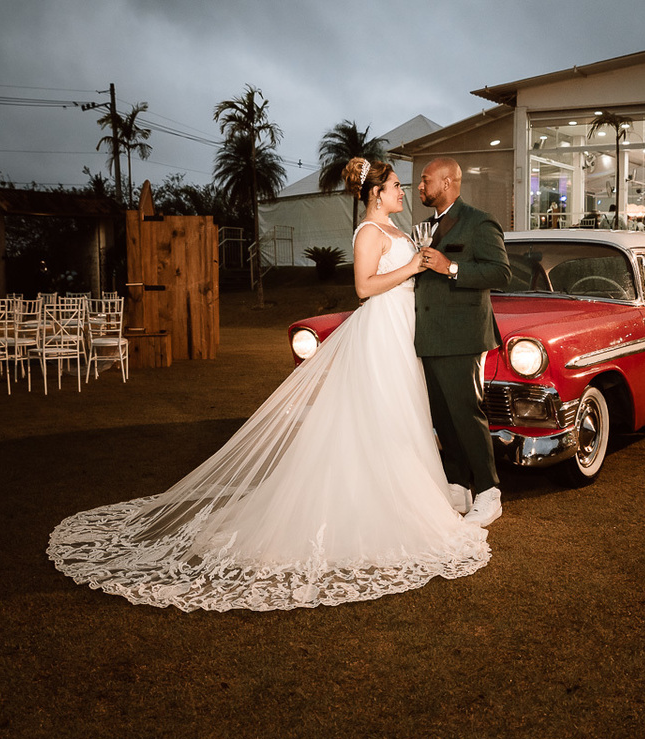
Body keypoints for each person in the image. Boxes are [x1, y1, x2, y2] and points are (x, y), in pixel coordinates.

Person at [46, 158, 491, 612]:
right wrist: (412, 268)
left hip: (405, 331)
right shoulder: (369, 233)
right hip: (381, 330)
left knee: (404, 415)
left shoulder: (400, 231)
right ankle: (377, 507)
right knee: (380, 413)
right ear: (376, 193)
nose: (403, 191)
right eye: (396, 186)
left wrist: (423, 266)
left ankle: (417, 496)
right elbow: (363, 287)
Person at [415, 157, 511, 526]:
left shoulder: (478, 221)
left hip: (461, 335)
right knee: (443, 417)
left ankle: (489, 491)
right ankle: (458, 486)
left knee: (467, 414)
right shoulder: (425, 226)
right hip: (428, 337)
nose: (421, 188)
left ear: (448, 182)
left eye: (426, 182)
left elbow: (501, 272)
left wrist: (451, 267)